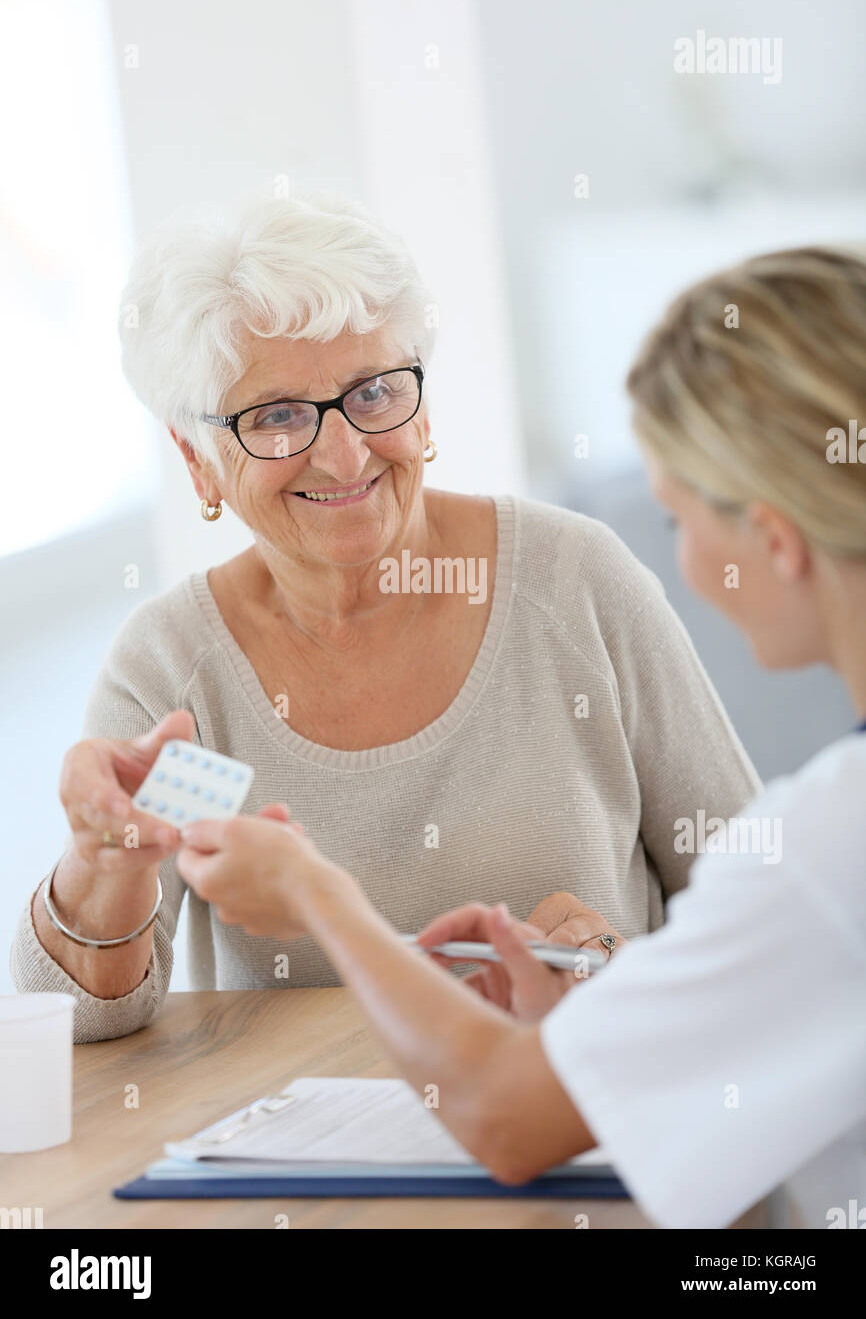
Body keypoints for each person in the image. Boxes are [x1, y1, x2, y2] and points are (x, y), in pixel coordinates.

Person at [174, 246, 866, 1228]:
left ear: (775, 538)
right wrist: (605, 1024)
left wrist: (317, 896)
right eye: (279, 414)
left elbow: (506, 1118)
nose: (681, 555)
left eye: (675, 516)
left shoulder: (831, 840)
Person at [11, 189, 757, 1044]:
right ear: (200, 460)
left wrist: (629, 976)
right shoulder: (174, 668)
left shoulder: (574, 582)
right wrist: (104, 859)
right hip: (307, 1161)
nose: (344, 452)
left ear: (423, 404)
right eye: (278, 416)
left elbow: (765, 904)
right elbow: (85, 1022)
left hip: (578, 1123)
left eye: (373, 392)